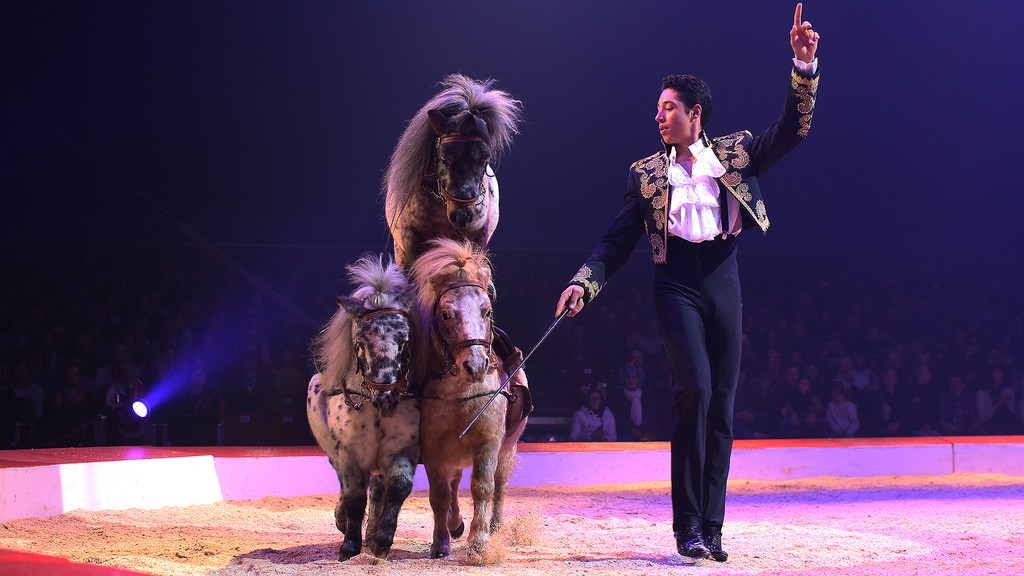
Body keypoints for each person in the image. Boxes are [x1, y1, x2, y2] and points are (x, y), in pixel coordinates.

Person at [554, 4, 820, 561]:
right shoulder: (647, 174)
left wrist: (802, 66)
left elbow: (793, 130)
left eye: (669, 108)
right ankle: (688, 526)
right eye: (657, 108)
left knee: (721, 405)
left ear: (695, 114)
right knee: (693, 391)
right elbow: (616, 242)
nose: (659, 116)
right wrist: (585, 282)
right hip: (674, 282)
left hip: (723, 278)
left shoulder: (736, 153)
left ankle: (713, 528)